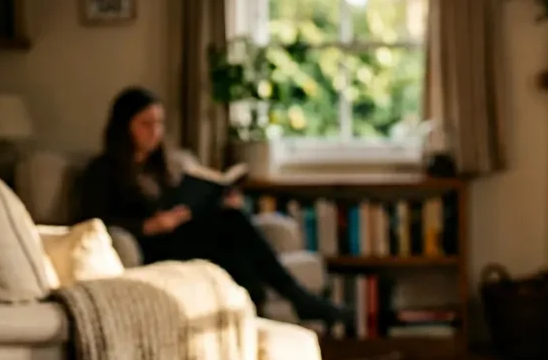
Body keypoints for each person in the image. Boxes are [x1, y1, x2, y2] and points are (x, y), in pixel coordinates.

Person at [77, 86, 349, 324]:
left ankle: (263, 314)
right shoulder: (103, 171)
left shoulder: (164, 167)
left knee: (231, 226)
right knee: (231, 234)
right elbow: (91, 224)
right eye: (145, 124)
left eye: (159, 123)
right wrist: (147, 226)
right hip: (151, 246)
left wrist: (219, 199)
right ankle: (297, 298)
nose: (155, 132)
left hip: (184, 236)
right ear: (125, 126)